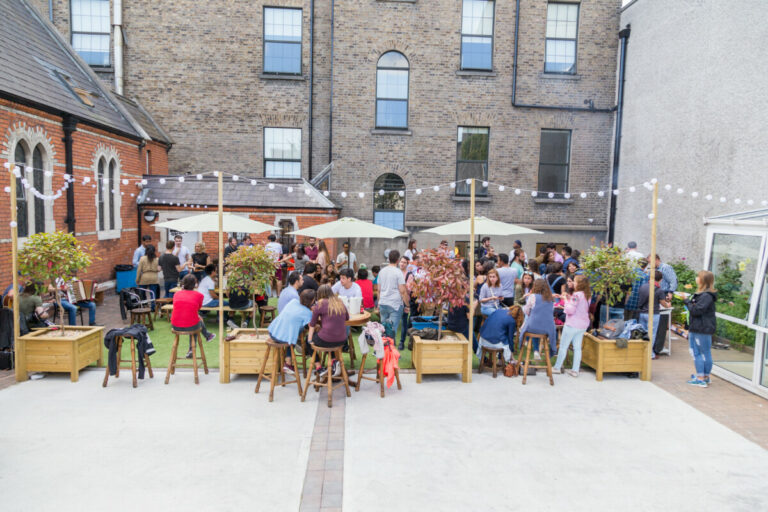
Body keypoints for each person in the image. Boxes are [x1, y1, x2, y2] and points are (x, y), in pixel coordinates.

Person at [269, 289, 316, 374]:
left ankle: (288, 361)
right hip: (284, 338)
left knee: (292, 329)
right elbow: (311, 326)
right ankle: (292, 356)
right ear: (312, 301)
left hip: (272, 331)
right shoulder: (308, 313)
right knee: (298, 329)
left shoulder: (293, 301)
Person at [553, 274, 592, 377]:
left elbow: (570, 310)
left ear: (579, 284)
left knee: (563, 346)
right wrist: (568, 299)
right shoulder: (587, 294)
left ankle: (557, 367)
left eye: (575, 281)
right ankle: (575, 370)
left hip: (572, 324)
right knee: (577, 348)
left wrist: (565, 301)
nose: (573, 283)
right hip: (582, 325)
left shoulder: (576, 295)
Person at [308, 284, 350, 378]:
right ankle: (334, 361)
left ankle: (319, 368)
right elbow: (347, 318)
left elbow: (312, 324)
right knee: (328, 338)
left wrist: (310, 340)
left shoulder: (320, 304)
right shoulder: (339, 302)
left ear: (319, 294)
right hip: (342, 339)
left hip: (327, 339)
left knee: (313, 342)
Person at [684, 271, 717, 388]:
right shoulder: (706, 295)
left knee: (697, 352)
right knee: (706, 353)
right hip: (703, 327)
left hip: (700, 328)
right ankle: (705, 376)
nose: (696, 278)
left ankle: (700, 378)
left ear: (703, 280)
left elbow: (696, 311)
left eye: (698, 277)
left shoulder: (706, 296)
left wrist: (687, 301)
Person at [171, 274, 216, 358]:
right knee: (196, 322)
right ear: (195, 284)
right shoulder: (199, 295)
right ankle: (202, 340)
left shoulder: (176, 294)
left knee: (196, 320)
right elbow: (197, 309)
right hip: (191, 325)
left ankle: (205, 337)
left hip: (175, 325)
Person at [517, 278, 557, 359]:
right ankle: (536, 350)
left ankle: (534, 348)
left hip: (534, 327)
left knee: (531, 324)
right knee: (536, 324)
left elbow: (526, 311)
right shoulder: (551, 298)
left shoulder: (533, 296)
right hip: (548, 328)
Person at [377, 250, 410, 341]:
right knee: (391, 332)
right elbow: (403, 291)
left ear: (388, 259)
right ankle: (390, 354)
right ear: (398, 260)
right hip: (395, 305)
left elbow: (378, 290)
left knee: (384, 331)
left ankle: (383, 353)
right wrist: (407, 305)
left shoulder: (381, 272)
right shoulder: (398, 272)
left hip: (383, 302)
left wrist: (379, 304)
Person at [638, 270, 671, 358]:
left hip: (642, 313)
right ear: (660, 280)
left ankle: (641, 352)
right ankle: (650, 353)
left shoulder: (643, 286)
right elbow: (663, 303)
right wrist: (667, 305)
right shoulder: (659, 290)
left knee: (642, 333)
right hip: (653, 314)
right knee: (651, 334)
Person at [136, 244, 160, 311]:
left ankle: (144, 306)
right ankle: (153, 307)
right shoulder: (157, 259)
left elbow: (139, 270)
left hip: (144, 277)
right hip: (154, 277)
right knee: (153, 293)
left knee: (142, 293)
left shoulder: (142, 258)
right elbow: (159, 269)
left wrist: (137, 279)